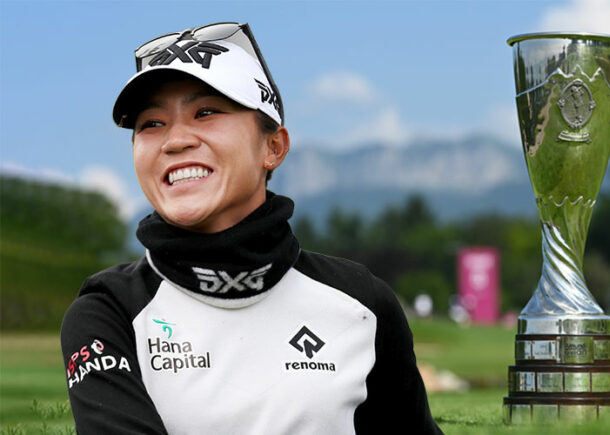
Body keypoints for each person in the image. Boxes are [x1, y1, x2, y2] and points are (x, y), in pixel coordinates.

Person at [61, 22, 442, 434]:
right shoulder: (107, 311)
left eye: (205, 112)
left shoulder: (362, 302)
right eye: (151, 124)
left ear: (273, 147)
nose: (174, 140)